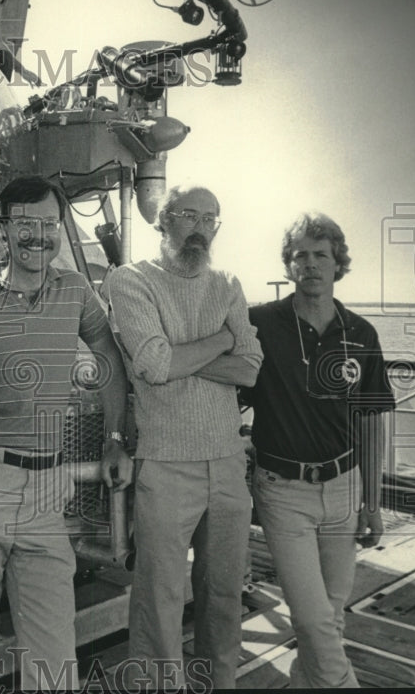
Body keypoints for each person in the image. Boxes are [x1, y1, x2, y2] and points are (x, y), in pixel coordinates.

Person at [0, 174, 132, 690]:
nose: (40, 236)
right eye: (26, 225)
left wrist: (114, 440)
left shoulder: (76, 290)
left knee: (55, 654)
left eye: (49, 224)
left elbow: (108, 353)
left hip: (48, 484)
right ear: (2, 228)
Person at [104, 184, 263, 690]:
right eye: (188, 215)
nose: (200, 227)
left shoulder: (228, 282)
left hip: (228, 461)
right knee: (160, 597)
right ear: (163, 220)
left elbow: (253, 368)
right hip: (166, 462)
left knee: (223, 595)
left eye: (210, 219)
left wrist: (182, 357)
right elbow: (154, 364)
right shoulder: (130, 280)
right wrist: (222, 339)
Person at [244, 213, 394, 688]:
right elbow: (228, 384)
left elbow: (372, 423)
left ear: (337, 263)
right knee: (313, 622)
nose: (310, 264)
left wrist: (371, 502)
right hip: (284, 492)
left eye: (321, 255)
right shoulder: (260, 323)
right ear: (289, 266)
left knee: (330, 619)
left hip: (344, 490)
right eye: (300, 255)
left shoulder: (361, 333)